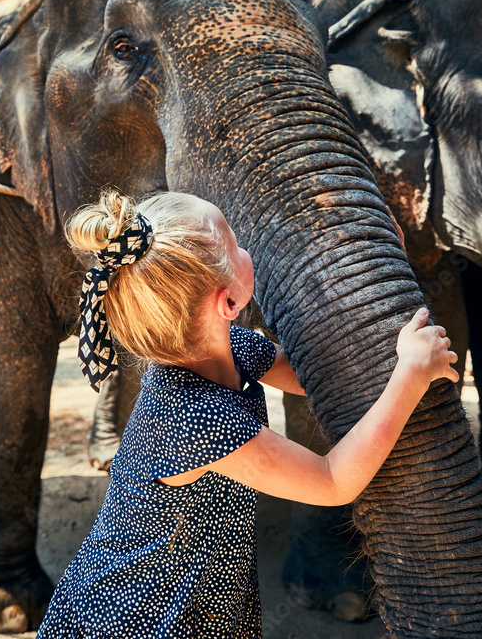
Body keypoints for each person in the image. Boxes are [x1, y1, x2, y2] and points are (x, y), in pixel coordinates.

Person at [37, 189, 458, 639]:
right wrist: (410, 376)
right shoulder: (195, 419)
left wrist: (376, 266)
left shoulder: (229, 349)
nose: (246, 249)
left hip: (197, 602)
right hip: (137, 619)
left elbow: (313, 378)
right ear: (229, 303)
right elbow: (335, 480)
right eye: (236, 243)